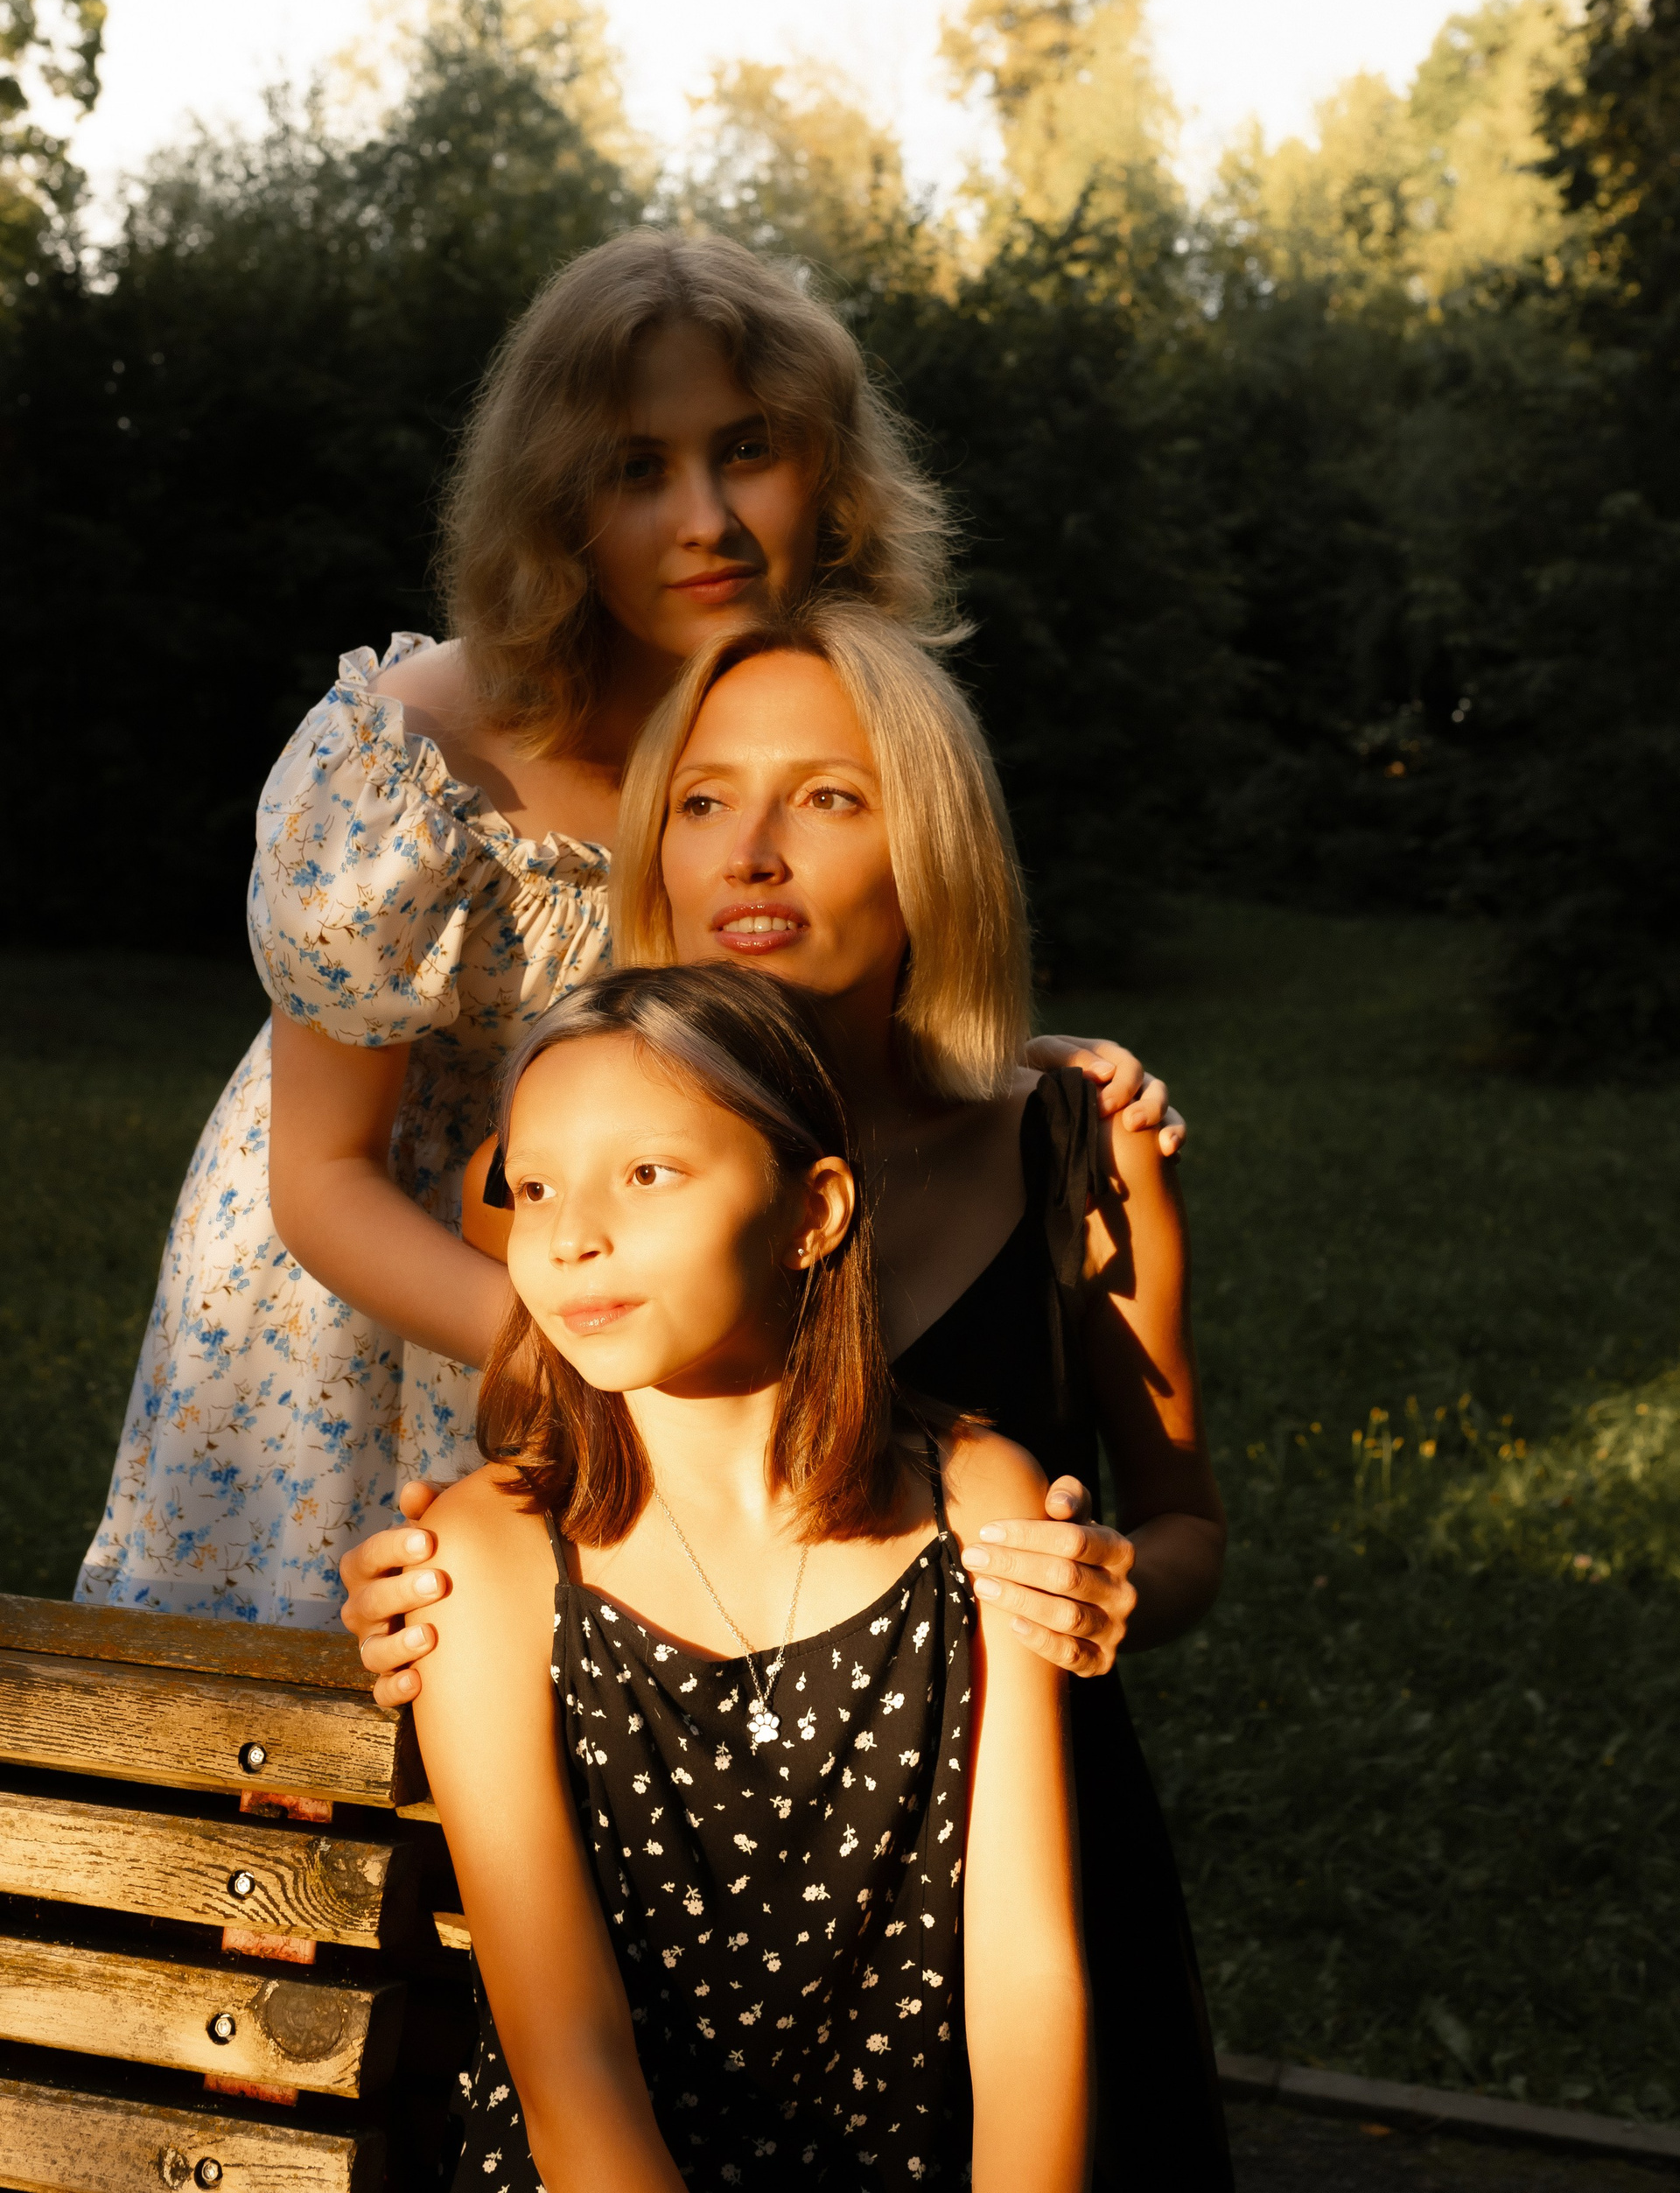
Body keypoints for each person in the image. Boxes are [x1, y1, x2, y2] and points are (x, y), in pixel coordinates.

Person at [74, 229, 1172, 1628]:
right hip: (404, 1301)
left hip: (671, 1260)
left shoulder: (816, 707)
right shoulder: (416, 762)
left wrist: (1007, 1070)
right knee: (355, 1695)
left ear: (831, 473)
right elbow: (323, 1176)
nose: (704, 517)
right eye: (636, 467)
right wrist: (559, 1355)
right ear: (555, 503)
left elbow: (820, 982)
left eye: (747, 450)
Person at [346, 605, 1232, 2190]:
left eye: (828, 796)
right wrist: (414, 1582)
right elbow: (559, 1480)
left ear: (929, 845)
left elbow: (1185, 1521)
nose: (752, 850)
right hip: (682, 1890)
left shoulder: (1078, 1144)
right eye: (702, 799)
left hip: (999, 1827)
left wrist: (1108, 1586)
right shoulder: (547, 1183)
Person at [416, 961, 1090, 2192]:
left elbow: (1028, 1975)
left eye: (647, 1173)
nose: (572, 1234)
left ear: (813, 1211)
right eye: (535, 1187)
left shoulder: (979, 1506)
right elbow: (570, 2063)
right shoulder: (489, 1556)